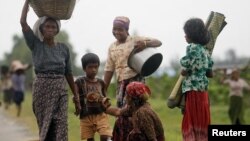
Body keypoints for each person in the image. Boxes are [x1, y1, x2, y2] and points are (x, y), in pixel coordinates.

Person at [20, 0, 81, 140]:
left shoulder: (63, 48)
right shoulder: (35, 44)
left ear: (57, 30)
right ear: (41, 29)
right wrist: (27, 2)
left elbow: (69, 73)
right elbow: (23, 23)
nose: (50, 29)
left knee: (61, 125)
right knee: (45, 126)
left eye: (53, 27)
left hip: (60, 89)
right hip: (42, 88)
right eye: (47, 26)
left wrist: (76, 97)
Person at [104, 16, 162, 141]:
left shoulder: (135, 40)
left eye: (120, 29)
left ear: (127, 30)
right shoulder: (112, 47)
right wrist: (104, 89)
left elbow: (158, 42)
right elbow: (109, 69)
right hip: (121, 83)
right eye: (115, 29)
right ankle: (124, 136)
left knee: (135, 111)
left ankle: (138, 134)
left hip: (136, 82)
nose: (117, 32)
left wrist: (146, 44)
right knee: (122, 112)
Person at [180, 18, 213, 141]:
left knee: (191, 120)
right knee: (202, 120)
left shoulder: (192, 48)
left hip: (193, 90)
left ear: (192, 35)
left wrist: (185, 70)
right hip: (203, 92)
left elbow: (185, 68)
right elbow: (210, 74)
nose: (185, 36)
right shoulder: (206, 51)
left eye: (186, 33)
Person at [74, 53, 112, 141]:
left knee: (104, 135)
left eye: (96, 67)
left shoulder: (101, 82)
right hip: (86, 115)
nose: (94, 70)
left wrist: (105, 103)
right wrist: (77, 104)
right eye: (90, 67)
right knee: (89, 138)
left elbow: (104, 96)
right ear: (84, 68)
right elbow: (75, 94)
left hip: (100, 114)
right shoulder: (80, 81)